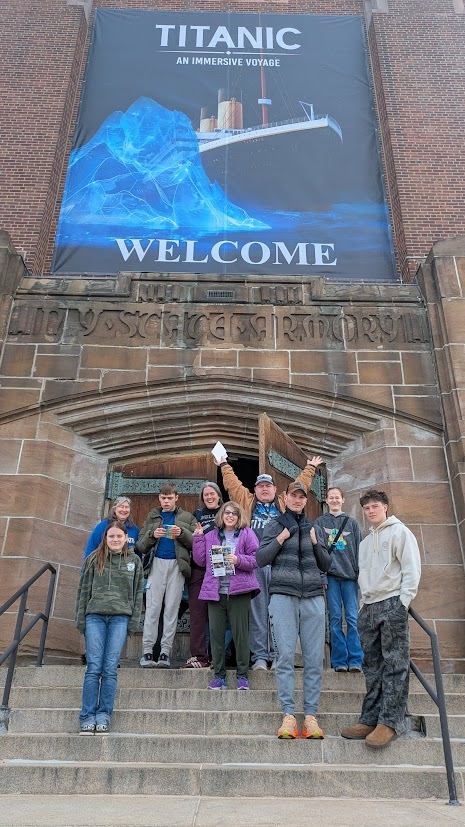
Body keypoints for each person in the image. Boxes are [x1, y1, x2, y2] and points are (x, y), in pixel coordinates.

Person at [215, 453, 323, 670]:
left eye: (268, 486)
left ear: (275, 490)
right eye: (260, 486)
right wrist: (224, 464)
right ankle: (260, 657)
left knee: (280, 612)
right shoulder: (246, 501)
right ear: (255, 489)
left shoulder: (284, 502)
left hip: (280, 564)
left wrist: (310, 467)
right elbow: (233, 484)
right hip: (253, 564)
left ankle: (279, 656)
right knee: (257, 613)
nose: (264, 489)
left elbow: (300, 486)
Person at [341, 489, 421, 749]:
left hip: (392, 603)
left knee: (396, 664)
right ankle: (370, 718)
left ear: (385, 506)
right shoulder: (364, 543)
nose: (371, 511)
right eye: (366, 508)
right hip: (370, 607)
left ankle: (390, 721)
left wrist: (403, 603)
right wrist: (363, 604)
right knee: (372, 668)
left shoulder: (400, 533)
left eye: (375, 506)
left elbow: (411, 568)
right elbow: (363, 576)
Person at [257, 481, 332, 739]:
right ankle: (288, 714)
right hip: (283, 597)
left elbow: (326, 564)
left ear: (306, 500)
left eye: (302, 497)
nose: (298, 500)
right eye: (294, 496)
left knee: (314, 660)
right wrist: (281, 538)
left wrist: (316, 544)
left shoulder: (315, 528)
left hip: (313, 597)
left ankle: (310, 716)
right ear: (285, 497)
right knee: (286, 657)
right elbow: (260, 558)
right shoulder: (274, 525)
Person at [76, 520, 144, 735]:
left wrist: (133, 623)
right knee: (94, 667)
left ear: (126, 538)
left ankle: (104, 714)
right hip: (95, 617)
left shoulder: (134, 561)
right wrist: (81, 620)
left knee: (110, 668)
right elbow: (83, 591)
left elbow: (137, 594)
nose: (115, 540)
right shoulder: (94, 559)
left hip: (120, 619)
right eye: (111, 536)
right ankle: (87, 715)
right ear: (105, 538)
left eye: (119, 536)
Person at [193, 501, 259, 690]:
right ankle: (219, 676)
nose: (230, 516)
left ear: (239, 517)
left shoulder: (247, 533)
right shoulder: (211, 535)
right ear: (221, 516)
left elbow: (256, 559)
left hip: (239, 592)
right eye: (227, 513)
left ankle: (242, 675)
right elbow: (200, 560)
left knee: (241, 635)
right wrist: (198, 539)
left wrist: (238, 560)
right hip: (216, 592)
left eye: (234, 514)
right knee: (216, 635)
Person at [137, 482, 196, 668]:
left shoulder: (187, 517)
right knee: (152, 609)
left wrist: (182, 533)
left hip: (177, 567)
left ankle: (165, 652)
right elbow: (140, 545)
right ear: (159, 498)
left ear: (176, 498)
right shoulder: (153, 516)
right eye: (163, 498)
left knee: (171, 610)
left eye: (170, 498)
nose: (166, 501)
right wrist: (153, 534)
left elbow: (197, 543)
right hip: (156, 566)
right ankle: (147, 652)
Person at [315, 486, 363, 673]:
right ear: (326, 501)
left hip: (350, 577)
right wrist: (322, 575)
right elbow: (317, 550)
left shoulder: (352, 523)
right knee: (335, 619)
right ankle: (339, 660)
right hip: (332, 577)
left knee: (352, 618)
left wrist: (360, 577)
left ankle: (356, 660)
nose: (334, 501)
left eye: (337, 498)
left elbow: (360, 551)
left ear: (343, 500)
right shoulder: (320, 522)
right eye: (331, 498)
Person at [182, 482, 223, 669]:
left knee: (221, 616)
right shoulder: (196, 515)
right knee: (198, 614)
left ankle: (220, 656)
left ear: (218, 495)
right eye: (206, 494)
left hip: (220, 567)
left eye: (212, 493)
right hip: (199, 568)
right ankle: (199, 656)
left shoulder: (227, 511)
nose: (209, 497)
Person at [83, 496, 140, 562]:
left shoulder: (135, 530)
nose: (124, 510)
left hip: (125, 570)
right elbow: (91, 547)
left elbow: (138, 554)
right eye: (121, 506)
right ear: (115, 509)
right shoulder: (103, 526)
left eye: (126, 507)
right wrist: (86, 569)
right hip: (105, 567)